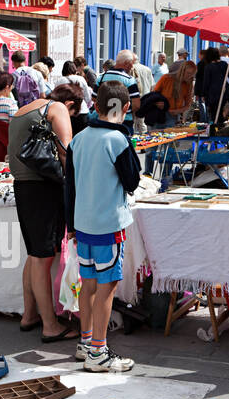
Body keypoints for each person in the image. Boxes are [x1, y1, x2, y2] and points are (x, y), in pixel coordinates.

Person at [64, 80, 138, 373]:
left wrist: (70, 223)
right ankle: (99, 351)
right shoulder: (118, 140)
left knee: (89, 284)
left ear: (96, 105)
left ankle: (86, 343)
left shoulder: (79, 138)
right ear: (126, 108)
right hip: (108, 223)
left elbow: (69, 185)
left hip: (83, 223)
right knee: (107, 287)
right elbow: (132, 180)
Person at [9, 85, 83, 343]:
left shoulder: (22, 110)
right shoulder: (58, 109)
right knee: (42, 257)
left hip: (23, 186)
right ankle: (50, 325)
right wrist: (76, 189)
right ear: (71, 104)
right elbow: (67, 153)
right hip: (43, 187)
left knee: (34, 254)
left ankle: (29, 315)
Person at [97, 51, 141, 133]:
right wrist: (123, 110)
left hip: (103, 119)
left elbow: (94, 98)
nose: (132, 66)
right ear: (126, 63)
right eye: (132, 63)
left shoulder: (101, 77)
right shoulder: (129, 80)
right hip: (124, 121)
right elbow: (136, 105)